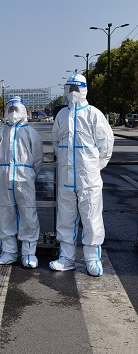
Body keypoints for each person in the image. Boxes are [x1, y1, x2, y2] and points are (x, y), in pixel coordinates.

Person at [50, 74, 114, 276]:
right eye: (70, 89)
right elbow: (56, 143)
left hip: (89, 180)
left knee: (91, 219)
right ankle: (66, 258)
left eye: (76, 89)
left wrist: (93, 168)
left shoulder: (94, 114)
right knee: (65, 219)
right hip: (66, 179)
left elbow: (106, 146)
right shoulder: (62, 116)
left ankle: (92, 259)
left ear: (84, 90)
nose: (73, 93)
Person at [0, 96, 43, 268]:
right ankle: (8, 252)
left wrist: (28, 173)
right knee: (3, 213)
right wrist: (5, 169)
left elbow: (38, 159)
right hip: (4, 175)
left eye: (16, 109)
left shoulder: (30, 132)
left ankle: (29, 253)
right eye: (10, 109)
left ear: (23, 111)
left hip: (24, 176)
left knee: (28, 214)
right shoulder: (2, 132)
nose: (13, 113)